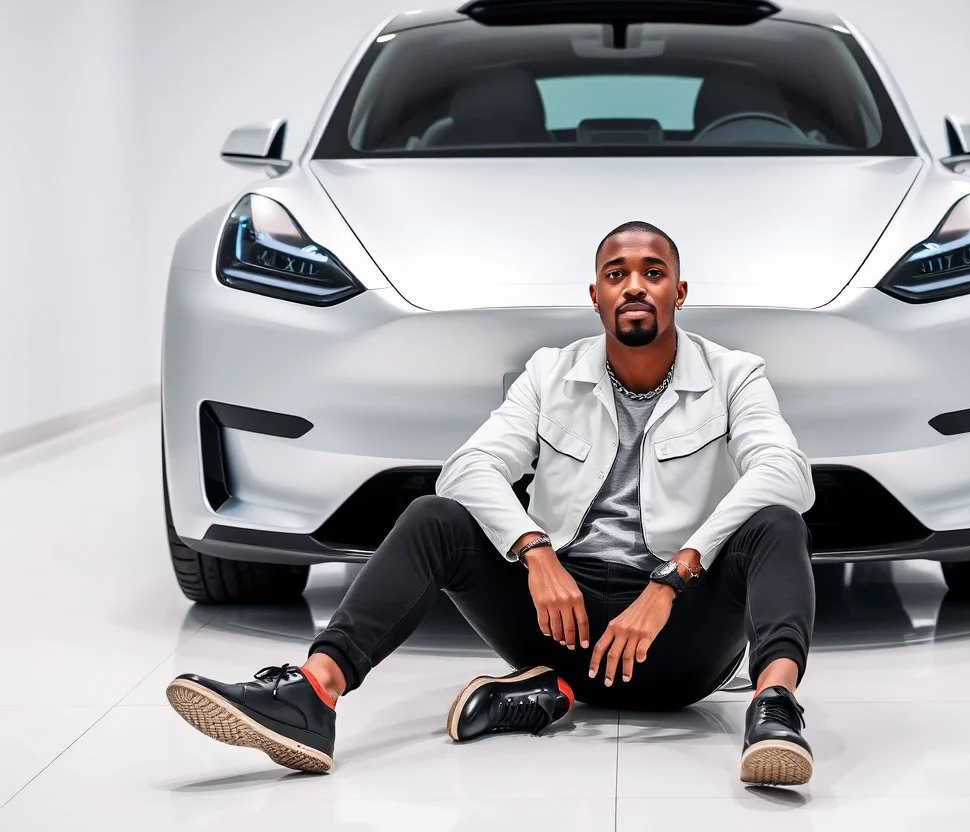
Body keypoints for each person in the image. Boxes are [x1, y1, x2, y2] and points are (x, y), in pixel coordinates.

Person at [165, 221, 819, 787]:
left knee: (776, 523)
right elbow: (469, 468)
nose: (635, 286)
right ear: (596, 297)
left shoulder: (736, 375)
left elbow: (788, 472)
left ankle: (775, 709)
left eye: (654, 272)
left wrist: (675, 576)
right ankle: (314, 694)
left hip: (680, 643)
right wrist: (534, 553)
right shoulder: (549, 374)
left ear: (680, 292)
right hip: (561, 623)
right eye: (617, 274)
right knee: (435, 518)